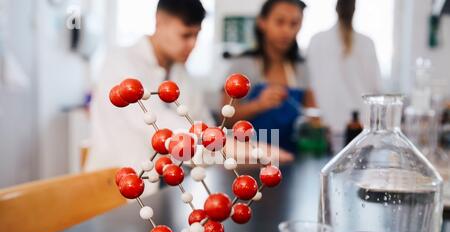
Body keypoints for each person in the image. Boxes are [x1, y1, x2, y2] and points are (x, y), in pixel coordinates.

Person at [86, 0, 214, 178]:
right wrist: (223, 145)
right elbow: (156, 123)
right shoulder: (120, 62)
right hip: (117, 188)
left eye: (196, 35)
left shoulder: (182, 73)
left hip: (170, 186)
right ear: (159, 21)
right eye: (185, 35)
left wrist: (223, 146)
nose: (193, 44)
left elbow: (203, 120)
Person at [223, 0, 317, 154]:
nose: (287, 30)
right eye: (280, 22)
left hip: (291, 157)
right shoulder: (242, 65)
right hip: (249, 158)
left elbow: (313, 115)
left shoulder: (301, 68)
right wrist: (259, 105)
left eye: (294, 24)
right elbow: (225, 120)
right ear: (262, 22)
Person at [307, 0, 382, 137]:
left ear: (336, 8)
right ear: (355, 9)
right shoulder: (367, 43)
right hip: (359, 128)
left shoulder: (317, 40)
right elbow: (376, 89)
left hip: (327, 127)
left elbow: (309, 86)